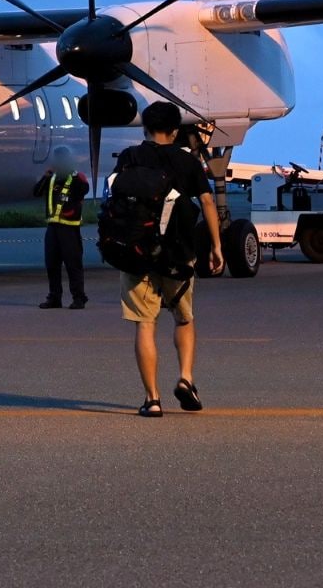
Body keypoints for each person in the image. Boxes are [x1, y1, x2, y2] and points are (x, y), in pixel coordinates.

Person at [112, 101, 224, 418]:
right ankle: (186, 378)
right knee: (184, 318)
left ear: (145, 128)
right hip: (179, 252)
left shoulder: (129, 157)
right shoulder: (186, 161)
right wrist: (216, 245)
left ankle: (152, 399)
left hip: (135, 253)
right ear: (175, 131)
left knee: (145, 325)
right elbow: (206, 201)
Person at [32, 144, 90, 309]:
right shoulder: (52, 178)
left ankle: (79, 297)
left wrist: (72, 172)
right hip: (53, 227)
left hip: (69, 228)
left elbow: (83, 190)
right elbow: (36, 192)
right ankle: (54, 297)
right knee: (52, 264)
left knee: (73, 264)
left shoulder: (76, 177)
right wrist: (45, 176)